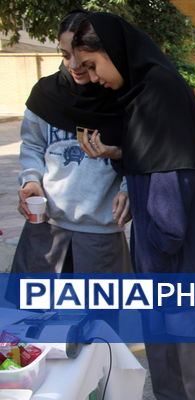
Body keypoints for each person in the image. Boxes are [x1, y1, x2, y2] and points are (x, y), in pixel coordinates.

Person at [70, 11, 195, 399]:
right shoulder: (144, 90)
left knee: (186, 374)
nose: (92, 77)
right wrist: (123, 160)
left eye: (92, 65)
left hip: (178, 263)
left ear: (113, 50)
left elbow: (169, 212)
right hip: (171, 257)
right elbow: (153, 161)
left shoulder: (158, 92)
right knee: (169, 366)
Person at [11, 11, 131, 274]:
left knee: (97, 313)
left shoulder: (122, 98)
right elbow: (32, 145)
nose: (74, 64)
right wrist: (30, 180)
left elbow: (140, 152)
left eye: (81, 55)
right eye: (65, 55)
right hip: (47, 226)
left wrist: (128, 187)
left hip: (100, 229)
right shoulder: (45, 94)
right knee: (38, 310)